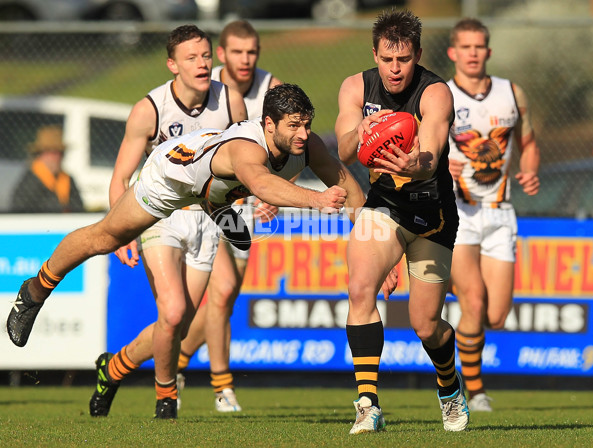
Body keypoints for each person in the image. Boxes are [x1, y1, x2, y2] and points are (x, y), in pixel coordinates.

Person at [6, 83, 366, 419]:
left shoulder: (307, 145)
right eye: (294, 126)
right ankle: (34, 290)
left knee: (178, 318)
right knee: (106, 238)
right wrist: (316, 199)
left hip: (211, 186)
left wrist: (376, 250)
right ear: (269, 124)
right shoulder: (247, 147)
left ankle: (217, 202)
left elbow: (349, 188)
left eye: (307, 125)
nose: (303, 134)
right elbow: (261, 184)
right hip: (170, 179)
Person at [86, 24, 247, 419]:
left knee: (175, 326)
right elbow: (120, 178)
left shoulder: (230, 101)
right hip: (160, 217)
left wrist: (249, 197)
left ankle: (113, 368)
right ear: (172, 64)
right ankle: (165, 397)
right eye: (191, 58)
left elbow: (245, 161)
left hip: (207, 223)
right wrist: (121, 231)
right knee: (173, 314)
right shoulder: (151, 109)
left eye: (206, 56)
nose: (202, 63)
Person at [335, 9, 469, 434]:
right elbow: (341, 149)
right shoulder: (356, 87)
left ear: (418, 56)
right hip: (384, 207)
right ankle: (367, 404)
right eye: (387, 59)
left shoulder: (435, 93)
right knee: (360, 288)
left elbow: (430, 155)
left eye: (405, 59)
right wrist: (361, 133)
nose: (395, 69)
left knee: (425, 324)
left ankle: (449, 388)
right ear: (374, 53)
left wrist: (417, 162)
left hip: (432, 215)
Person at [176, 19, 282, 412]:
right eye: (236, 52)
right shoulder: (208, 86)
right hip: (206, 205)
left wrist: (272, 191)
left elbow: (295, 143)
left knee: (226, 298)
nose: (245, 59)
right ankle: (223, 388)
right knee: (220, 293)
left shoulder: (274, 89)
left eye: (251, 51)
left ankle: (179, 358)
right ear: (221, 55)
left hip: (246, 207)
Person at [446, 18, 540, 412]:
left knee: (496, 315)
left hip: (501, 213)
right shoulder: (441, 95)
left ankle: (443, 289)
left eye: (478, 46)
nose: (472, 53)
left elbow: (529, 141)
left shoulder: (511, 93)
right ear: (452, 52)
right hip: (460, 213)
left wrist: (531, 170)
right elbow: (419, 150)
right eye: (464, 46)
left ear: (488, 51)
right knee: (474, 299)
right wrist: (438, 167)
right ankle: (476, 391)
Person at [10, 125, 84, 213]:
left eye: (60, 152)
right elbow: (20, 209)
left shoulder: (67, 179)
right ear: (40, 153)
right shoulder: (30, 180)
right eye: (52, 152)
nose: (57, 157)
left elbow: (79, 206)